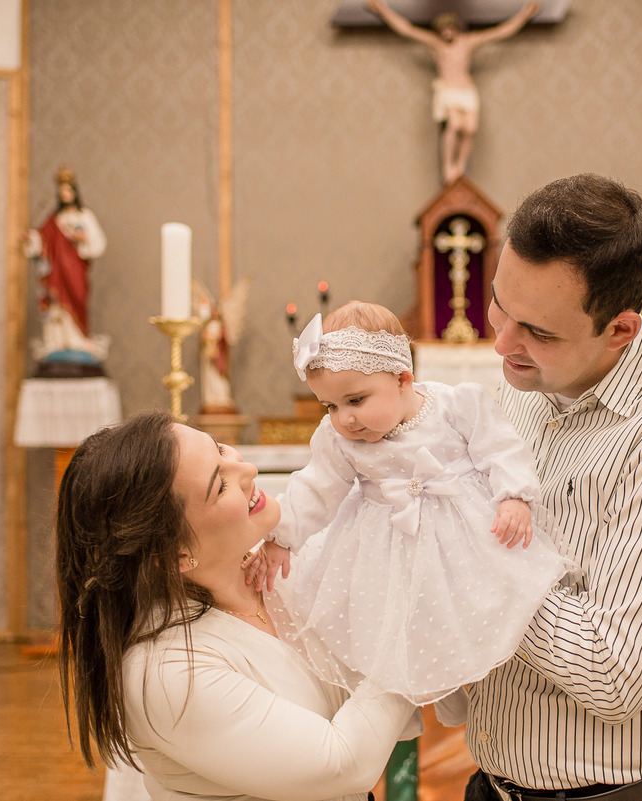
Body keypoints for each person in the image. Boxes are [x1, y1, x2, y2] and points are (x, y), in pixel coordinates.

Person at [460, 174, 642, 801]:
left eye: (539, 332)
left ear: (619, 330)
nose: (503, 342)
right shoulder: (521, 392)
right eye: (499, 305)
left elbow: (611, 673)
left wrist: (467, 556)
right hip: (496, 784)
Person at [55, 410, 419, 801]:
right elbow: (343, 764)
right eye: (219, 485)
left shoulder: (278, 567)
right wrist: (416, 624)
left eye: (220, 449)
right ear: (176, 554)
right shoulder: (166, 671)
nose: (247, 469)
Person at [244, 301, 572, 705]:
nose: (344, 418)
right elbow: (316, 488)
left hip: (468, 537)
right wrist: (281, 537)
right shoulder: (338, 439)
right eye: (330, 406)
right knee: (404, 630)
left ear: (403, 379)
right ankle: (424, 699)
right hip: (388, 550)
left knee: (479, 607)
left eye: (355, 400)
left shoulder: (456, 405)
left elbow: (500, 449)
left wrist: (514, 496)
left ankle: (489, 688)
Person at [364, 0, 541, 184]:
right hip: (448, 89)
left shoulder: (468, 42)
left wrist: (525, 14)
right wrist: (382, 10)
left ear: (456, 28)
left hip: (466, 90)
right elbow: (407, 29)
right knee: (455, 125)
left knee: (470, 128)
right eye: (443, 30)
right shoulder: (436, 44)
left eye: (449, 28)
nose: (446, 33)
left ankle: (460, 167)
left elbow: (499, 32)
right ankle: (448, 167)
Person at [24, 166, 109, 363]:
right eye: (62, 192)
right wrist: (31, 239)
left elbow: (98, 243)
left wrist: (83, 238)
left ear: (75, 192)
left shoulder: (84, 216)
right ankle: (57, 342)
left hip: (74, 270)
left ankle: (76, 340)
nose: (65, 195)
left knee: (75, 301)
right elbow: (42, 239)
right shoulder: (55, 219)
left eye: (68, 191)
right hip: (57, 273)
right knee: (56, 308)